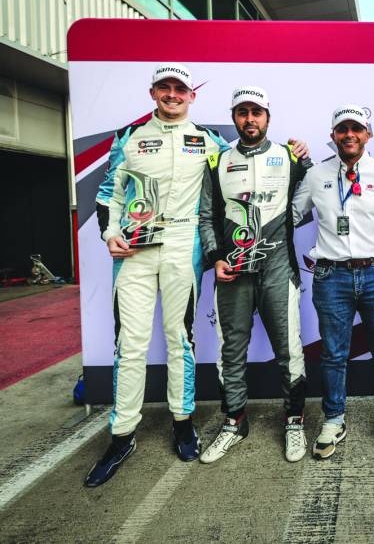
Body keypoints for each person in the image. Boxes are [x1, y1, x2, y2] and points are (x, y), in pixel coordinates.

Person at [85, 63, 231, 488]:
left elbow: (241, 176)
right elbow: (108, 193)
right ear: (153, 93)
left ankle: (182, 423)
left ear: (192, 96)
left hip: (183, 246)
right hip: (134, 249)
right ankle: (122, 434)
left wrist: (296, 153)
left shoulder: (210, 141)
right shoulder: (128, 137)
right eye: (164, 88)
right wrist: (110, 233)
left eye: (179, 88)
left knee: (178, 338)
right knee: (128, 344)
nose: (172, 94)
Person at [197, 86, 311, 464]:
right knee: (231, 351)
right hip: (233, 272)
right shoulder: (216, 162)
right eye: (243, 112)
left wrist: (308, 161)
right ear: (234, 117)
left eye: (256, 112)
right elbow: (207, 217)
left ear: (268, 116)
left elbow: (320, 190)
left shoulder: (289, 157)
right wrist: (215, 258)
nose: (250, 119)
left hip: (278, 267)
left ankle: (294, 420)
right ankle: (234, 421)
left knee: (289, 350)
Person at [292, 104, 374, 460]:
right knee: (333, 355)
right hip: (331, 275)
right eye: (342, 129)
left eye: (356, 129)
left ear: (368, 135)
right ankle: (333, 418)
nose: (349, 135)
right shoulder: (316, 176)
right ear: (333, 136)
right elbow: (292, 213)